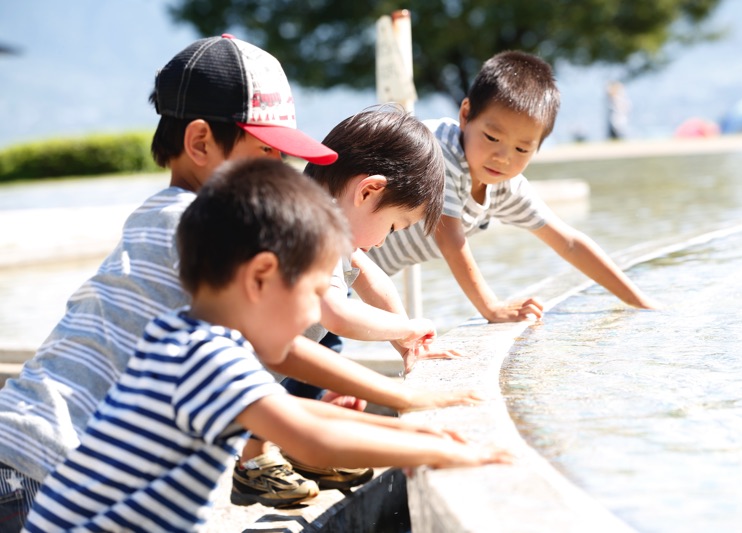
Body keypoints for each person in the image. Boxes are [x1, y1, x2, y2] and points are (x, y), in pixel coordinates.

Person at [0, 34, 480, 531]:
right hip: (48, 458)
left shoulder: (168, 218)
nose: (281, 173)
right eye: (268, 153)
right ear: (201, 143)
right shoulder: (204, 231)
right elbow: (287, 356)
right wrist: (403, 397)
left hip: (34, 448)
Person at [21, 158, 512, 532]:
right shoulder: (206, 357)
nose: (318, 313)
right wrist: (443, 453)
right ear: (261, 278)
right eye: (316, 292)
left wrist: (419, 426)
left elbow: (304, 415)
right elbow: (308, 436)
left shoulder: (180, 338)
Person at [234, 106, 464, 500]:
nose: (383, 241)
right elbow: (337, 314)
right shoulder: (305, 230)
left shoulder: (320, 219)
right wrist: (410, 328)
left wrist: (407, 342)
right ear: (368, 190)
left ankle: (278, 452)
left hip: (257, 370)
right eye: (393, 226)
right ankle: (253, 462)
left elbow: (374, 280)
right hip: (228, 377)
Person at [368, 51, 659, 323]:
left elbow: (569, 243)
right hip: (334, 247)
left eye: (522, 149)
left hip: (359, 271)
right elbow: (449, 237)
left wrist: (641, 303)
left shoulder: (505, 186)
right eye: (492, 138)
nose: (503, 158)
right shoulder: (436, 151)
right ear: (466, 115)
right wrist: (491, 307)